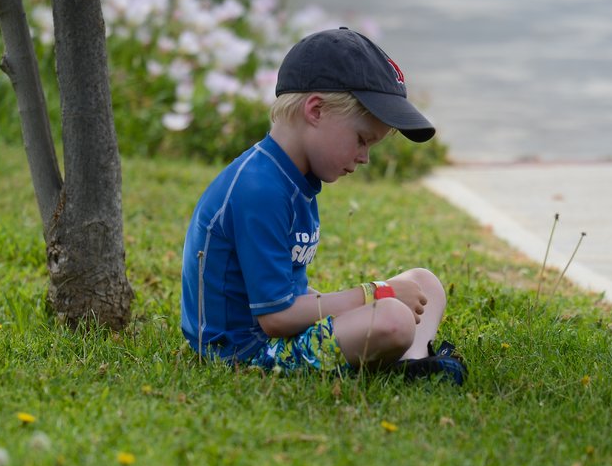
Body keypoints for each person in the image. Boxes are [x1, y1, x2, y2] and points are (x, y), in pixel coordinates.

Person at [179, 27, 466, 384]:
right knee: (393, 316)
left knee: (425, 283)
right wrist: (375, 294)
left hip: (278, 333)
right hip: (247, 353)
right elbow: (277, 318)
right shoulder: (259, 189)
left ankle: (413, 361)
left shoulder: (293, 180)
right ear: (315, 110)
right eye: (362, 140)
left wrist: (372, 300)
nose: (365, 158)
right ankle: (407, 358)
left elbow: (292, 293)